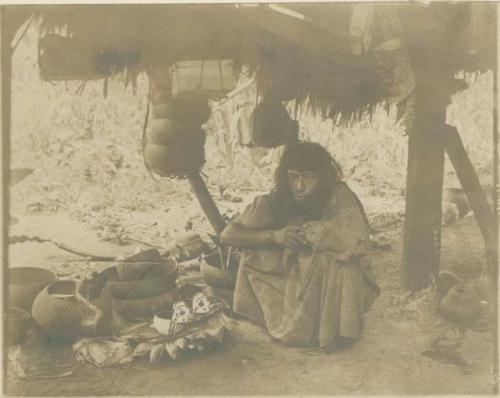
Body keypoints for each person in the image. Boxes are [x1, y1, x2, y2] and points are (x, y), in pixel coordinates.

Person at [220, 142, 380, 353]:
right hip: (288, 279)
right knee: (254, 249)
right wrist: (274, 236)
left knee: (343, 264)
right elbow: (227, 235)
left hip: (323, 283)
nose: (300, 186)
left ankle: (333, 334)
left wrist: (321, 238)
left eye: (309, 177)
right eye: (293, 177)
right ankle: (281, 321)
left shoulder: (339, 197)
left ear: (323, 178)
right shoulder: (279, 198)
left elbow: (357, 245)